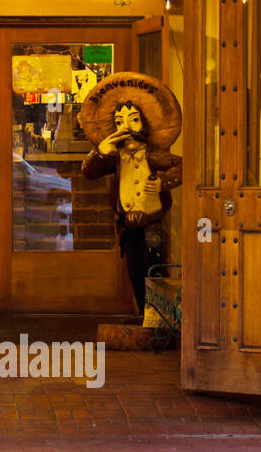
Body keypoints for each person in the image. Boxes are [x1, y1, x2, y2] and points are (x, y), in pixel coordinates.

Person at [79, 72, 184, 314]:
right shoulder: (115, 158)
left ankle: (158, 316)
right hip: (128, 224)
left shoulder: (153, 156)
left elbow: (184, 165)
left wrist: (163, 182)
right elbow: (89, 172)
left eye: (133, 120)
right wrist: (102, 149)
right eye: (119, 122)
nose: (126, 128)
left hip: (152, 223)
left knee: (154, 268)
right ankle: (142, 313)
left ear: (145, 123)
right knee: (135, 268)